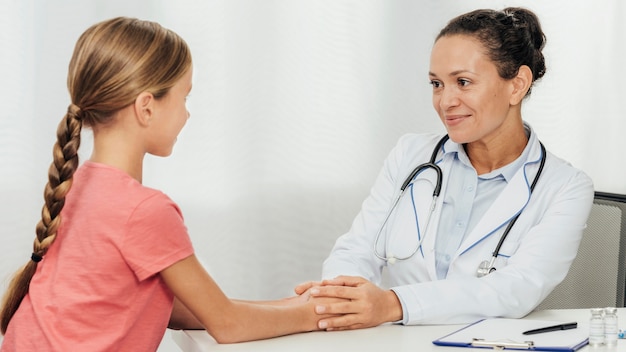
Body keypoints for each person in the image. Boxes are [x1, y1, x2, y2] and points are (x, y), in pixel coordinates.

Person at [0, 17, 337, 351]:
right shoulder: (144, 210)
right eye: (184, 98)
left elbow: (176, 308)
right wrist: (318, 314)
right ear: (146, 107)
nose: (187, 114)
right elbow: (228, 324)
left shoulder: (78, 187)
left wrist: (293, 305)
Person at [296, 7, 594, 331]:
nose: (445, 101)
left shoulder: (566, 187)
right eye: (436, 84)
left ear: (517, 84)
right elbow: (358, 248)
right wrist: (340, 298)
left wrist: (392, 304)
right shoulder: (410, 154)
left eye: (463, 82)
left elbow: (517, 289)